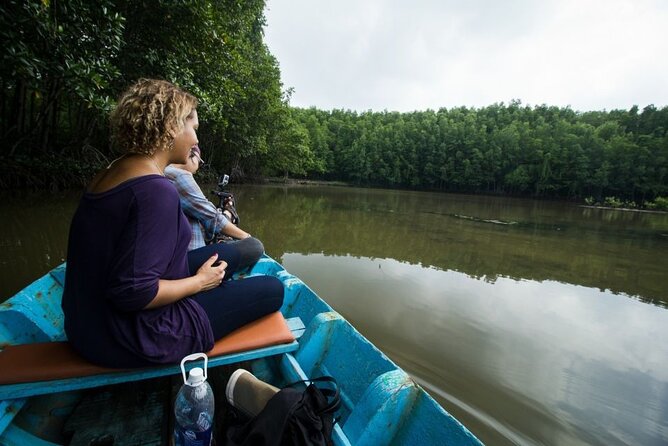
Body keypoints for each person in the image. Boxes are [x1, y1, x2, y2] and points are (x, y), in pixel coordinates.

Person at [61, 79, 284, 368]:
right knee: (272, 289)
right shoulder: (155, 190)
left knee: (232, 253)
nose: (196, 139)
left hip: (84, 324)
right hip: (127, 335)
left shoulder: (112, 171)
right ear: (170, 127)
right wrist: (199, 283)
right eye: (193, 128)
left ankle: (211, 284)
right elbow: (133, 293)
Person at [164, 144, 263, 269]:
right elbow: (214, 219)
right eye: (200, 162)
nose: (198, 168)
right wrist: (247, 237)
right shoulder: (180, 176)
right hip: (185, 259)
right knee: (255, 246)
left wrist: (226, 212)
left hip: (174, 255)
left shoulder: (163, 171)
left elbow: (203, 217)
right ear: (192, 156)